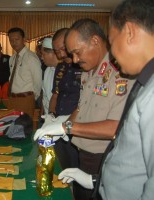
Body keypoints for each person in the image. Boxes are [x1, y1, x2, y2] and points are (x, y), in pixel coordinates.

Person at [58, 0, 154, 199]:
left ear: (129, 32)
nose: (112, 53)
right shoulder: (147, 80)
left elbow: (116, 129)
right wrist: (96, 180)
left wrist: (66, 128)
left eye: (111, 41)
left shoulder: (148, 90)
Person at [34, 18, 135, 200]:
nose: (74, 59)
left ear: (95, 41)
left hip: (104, 160)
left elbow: (116, 128)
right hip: (84, 155)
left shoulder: (121, 72)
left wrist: (67, 128)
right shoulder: (89, 72)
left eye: (77, 52)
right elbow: (81, 109)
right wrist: (63, 123)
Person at [47, 28, 82, 171]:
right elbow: (56, 94)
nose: (61, 54)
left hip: (75, 125)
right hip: (59, 123)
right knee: (61, 164)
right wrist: (50, 116)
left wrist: (68, 122)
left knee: (75, 166)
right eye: (56, 51)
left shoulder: (84, 66)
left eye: (63, 49)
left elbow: (85, 101)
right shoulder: (61, 66)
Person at [7, 27, 42, 101]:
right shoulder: (12, 58)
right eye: (11, 40)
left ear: (24, 39)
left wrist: (32, 99)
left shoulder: (31, 57)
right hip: (13, 97)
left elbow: (38, 81)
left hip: (27, 98)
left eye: (17, 39)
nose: (14, 42)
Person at [40, 37, 58, 115]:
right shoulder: (48, 70)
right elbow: (45, 95)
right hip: (48, 116)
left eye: (44, 54)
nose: (41, 57)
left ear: (53, 53)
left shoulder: (66, 71)